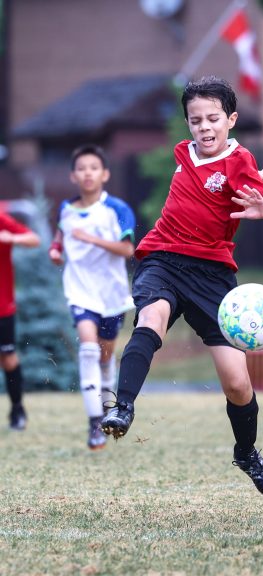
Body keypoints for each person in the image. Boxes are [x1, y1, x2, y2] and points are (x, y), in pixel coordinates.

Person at [100, 76, 263, 498]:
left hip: (212, 276)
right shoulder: (182, 152)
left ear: (231, 119)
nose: (204, 127)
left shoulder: (240, 160)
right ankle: (122, 407)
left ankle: (247, 454)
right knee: (151, 319)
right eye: (196, 120)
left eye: (213, 119)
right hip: (163, 258)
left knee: (237, 383)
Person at [49, 144, 136, 451]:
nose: (88, 173)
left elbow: (127, 249)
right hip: (79, 290)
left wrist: (91, 239)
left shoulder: (118, 209)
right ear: (73, 175)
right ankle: (94, 423)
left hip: (111, 293)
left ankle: (106, 408)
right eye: (82, 168)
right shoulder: (66, 209)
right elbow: (60, 237)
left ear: (105, 174)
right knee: (88, 348)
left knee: (105, 356)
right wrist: (55, 250)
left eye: (93, 168)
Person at [0, 211, 40, 430]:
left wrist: (11, 237)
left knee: (8, 358)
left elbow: (34, 239)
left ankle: (17, 409)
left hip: (2, 306)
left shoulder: (1, 219)